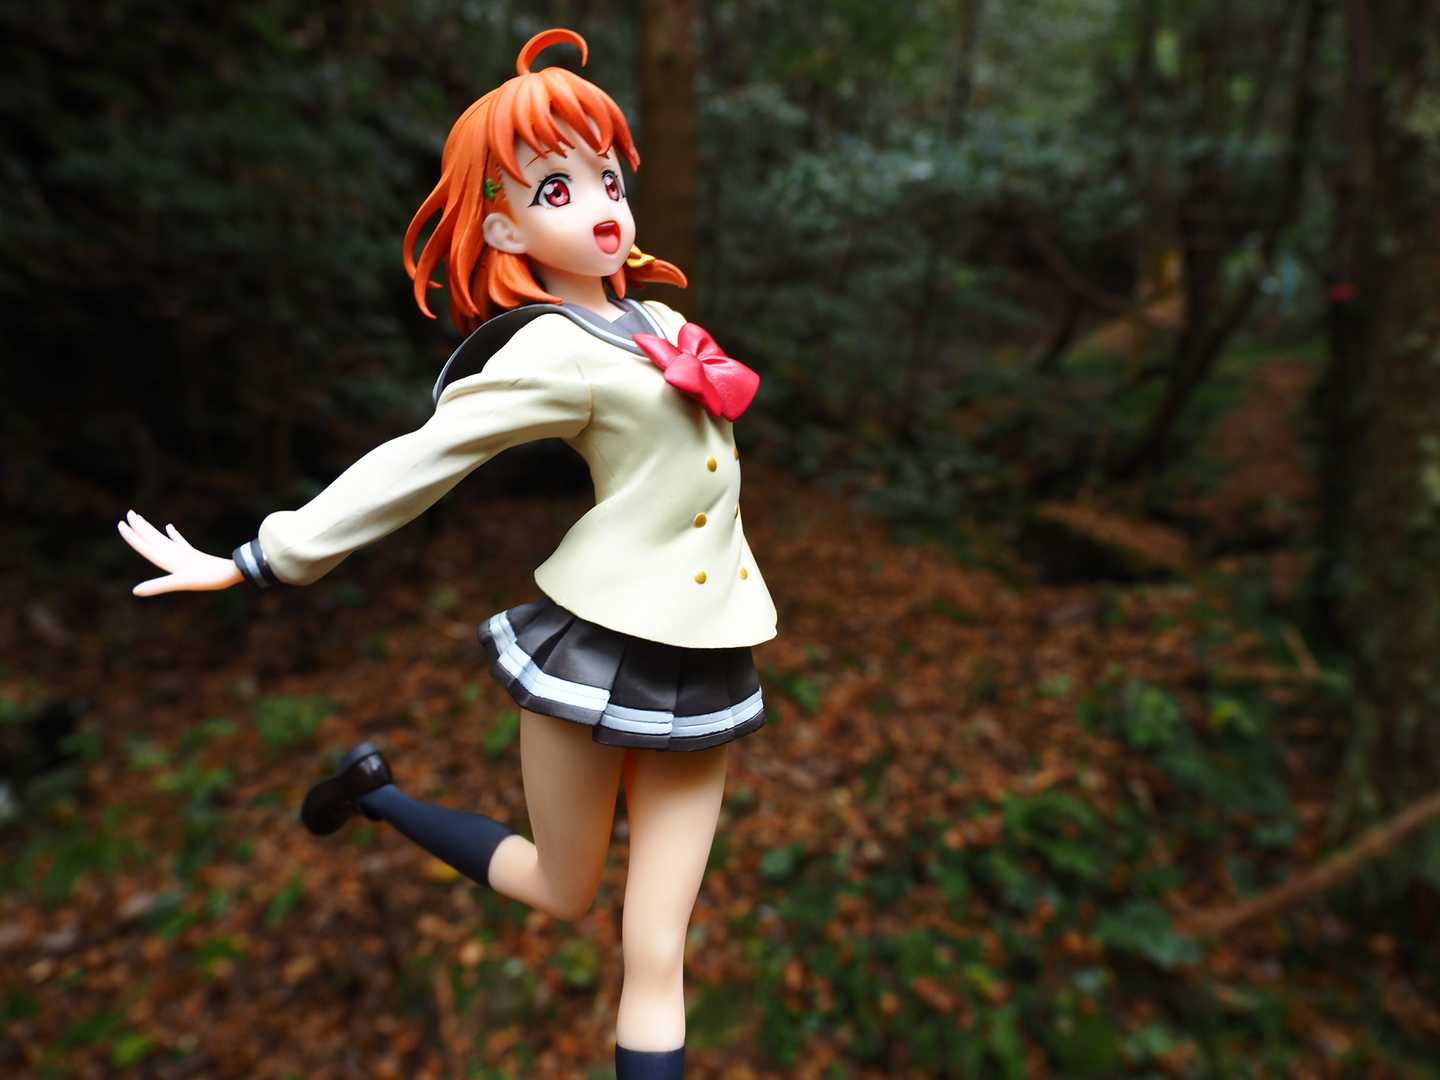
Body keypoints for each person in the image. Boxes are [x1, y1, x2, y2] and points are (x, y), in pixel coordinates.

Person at [117, 27, 776, 1080]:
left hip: (710, 650)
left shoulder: (656, 319)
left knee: (657, 950)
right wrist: (258, 557)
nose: (600, 205)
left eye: (607, 178)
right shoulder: (552, 349)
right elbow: (420, 460)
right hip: (601, 648)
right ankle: (376, 796)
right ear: (505, 224)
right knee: (563, 890)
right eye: (556, 190)